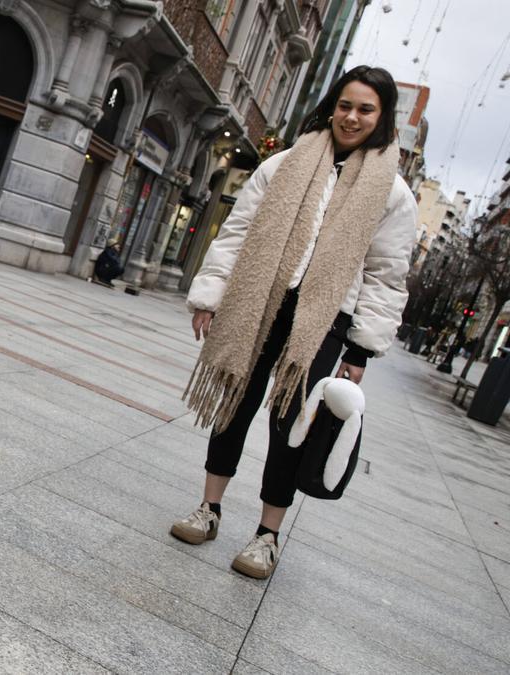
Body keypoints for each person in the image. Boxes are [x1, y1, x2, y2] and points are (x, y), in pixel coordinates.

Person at [171, 66, 417, 579]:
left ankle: (267, 535)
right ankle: (209, 509)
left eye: (365, 109)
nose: (352, 117)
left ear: (382, 117)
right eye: (345, 105)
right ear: (332, 106)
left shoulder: (393, 193)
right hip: (259, 304)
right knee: (234, 405)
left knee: (291, 427)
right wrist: (211, 296)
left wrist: (360, 351)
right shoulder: (285, 163)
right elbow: (238, 232)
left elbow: (386, 276)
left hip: (325, 323)